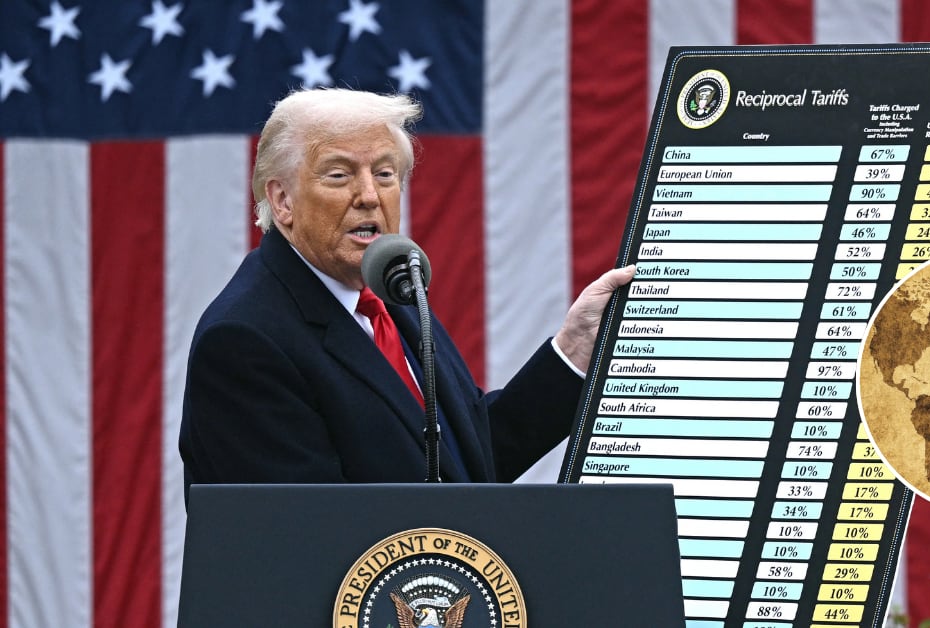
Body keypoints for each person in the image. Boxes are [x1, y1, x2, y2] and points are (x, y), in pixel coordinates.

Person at [179, 88, 633, 500]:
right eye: (339, 175)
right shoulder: (244, 340)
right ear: (282, 201)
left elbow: (464, 462)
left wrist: (573, 350)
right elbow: (305, 539)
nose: (369, 195)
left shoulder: (390, 292)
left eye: (384, 173)